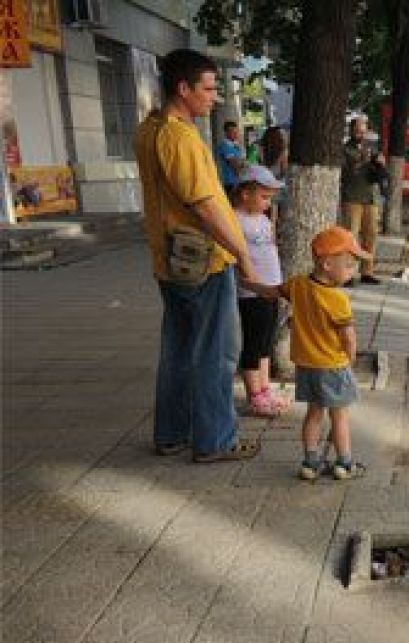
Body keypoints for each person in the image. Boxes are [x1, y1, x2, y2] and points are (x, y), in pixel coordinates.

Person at [135, 48, 261, 463]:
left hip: (170, 259)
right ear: (183, 88)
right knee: (215, 352)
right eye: (208, 88)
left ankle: (172, 434)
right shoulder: (180, 137)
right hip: (201, 261)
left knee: (178, 349)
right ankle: (214, 440)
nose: (215, 96)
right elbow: (205, 206)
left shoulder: (150, 129)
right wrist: (243, 254)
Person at [273, 226, 369, 480]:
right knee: (339, 416)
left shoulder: (298, 285)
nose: (353, 271)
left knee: (313, 413)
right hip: (332, 365)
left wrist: (247, 281)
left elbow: (275, 291)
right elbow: (348, 336)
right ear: (327, 264)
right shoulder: (337, 299)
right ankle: (344, 463)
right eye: (349, 265)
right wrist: (350, 359)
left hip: (306, 365)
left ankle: (310, 462)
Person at [232, 165, 289, 417]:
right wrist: (253, 282)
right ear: (245, 194)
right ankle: (254, 395)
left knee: (266, 342)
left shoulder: (263, 219)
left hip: (271, 290)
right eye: (264, 197)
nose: (268, 203)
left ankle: (265, 389)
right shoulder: (234, 220)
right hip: (251, 293)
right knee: (253, 344)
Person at [339, 117, 383, 285]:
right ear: (351, 130)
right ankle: (347, 273)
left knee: (371, 235)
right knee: (350, 236)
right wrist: (362, 160)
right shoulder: (344, 150)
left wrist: (379, 163)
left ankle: (367, 271)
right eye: (358, 131)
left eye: (363, 131)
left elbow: (375, 172)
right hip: (352, 197)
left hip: (370, 197)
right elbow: (344, 173)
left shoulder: (370, 148)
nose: (361, 134)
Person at [215, 121, 245, 201]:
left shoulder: (235, 145)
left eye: (236, 131)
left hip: (237, 181)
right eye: (232, 132)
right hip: (230, 182)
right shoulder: (225, 146)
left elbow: (242, 161)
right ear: (226, 133)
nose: (235, 134)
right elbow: (234, 165)